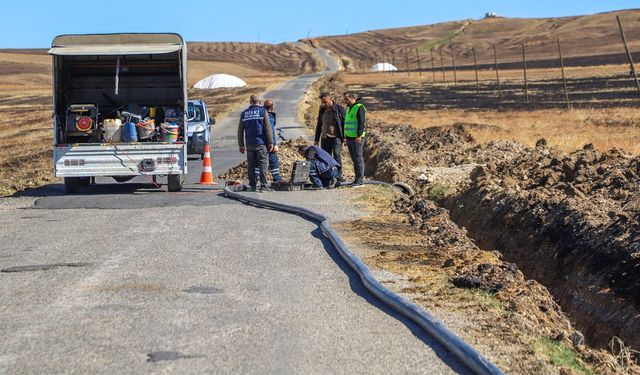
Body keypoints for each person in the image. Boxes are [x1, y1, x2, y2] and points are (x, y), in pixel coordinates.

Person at [238, 94, 274, 192]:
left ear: (250, 102)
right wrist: (271, 142)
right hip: (261, 143)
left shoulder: (244, 114)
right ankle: (264, 185)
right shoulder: (263, 112)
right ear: (260, 102)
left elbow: (240, 130)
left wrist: (241, 145)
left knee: (251, 165)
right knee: (263, 163)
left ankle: (252, 185)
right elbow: (268, 128)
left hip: (249, 144)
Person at [314, 92, 345, 183]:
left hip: (336, 137)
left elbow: (344, 124)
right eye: (323, 102)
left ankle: (339, 175)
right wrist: (316, 138)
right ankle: (328, 176)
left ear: (331, 99)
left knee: (336, 155)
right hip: (325, 137)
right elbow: (319, 124)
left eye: (325, 101)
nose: (324, 104)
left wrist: (344, 137)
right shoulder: (322, 110)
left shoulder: (339, 109)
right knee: (326, 157)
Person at [342, 92, 366, 187]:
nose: (345, 101)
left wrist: (359, 136)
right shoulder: (348, 108)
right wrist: (345, 137)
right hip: (349, 137)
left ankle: (360, 181)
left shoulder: (359, 107)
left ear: (352, 98)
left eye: (346, 99)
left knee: (358, 159)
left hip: (357, 138)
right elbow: (347, 124)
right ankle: (356, 179)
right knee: (354, 159)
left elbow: (361, 123)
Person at [261, 99, 284, 184]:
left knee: (260, 161)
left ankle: (257, 180)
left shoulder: (262, 115)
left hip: (261, 142)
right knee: (273, 160)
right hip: (268, 143)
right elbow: (270, 131)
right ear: (272, 107)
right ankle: (276, 178)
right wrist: (274, 144)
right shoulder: (269, 116)